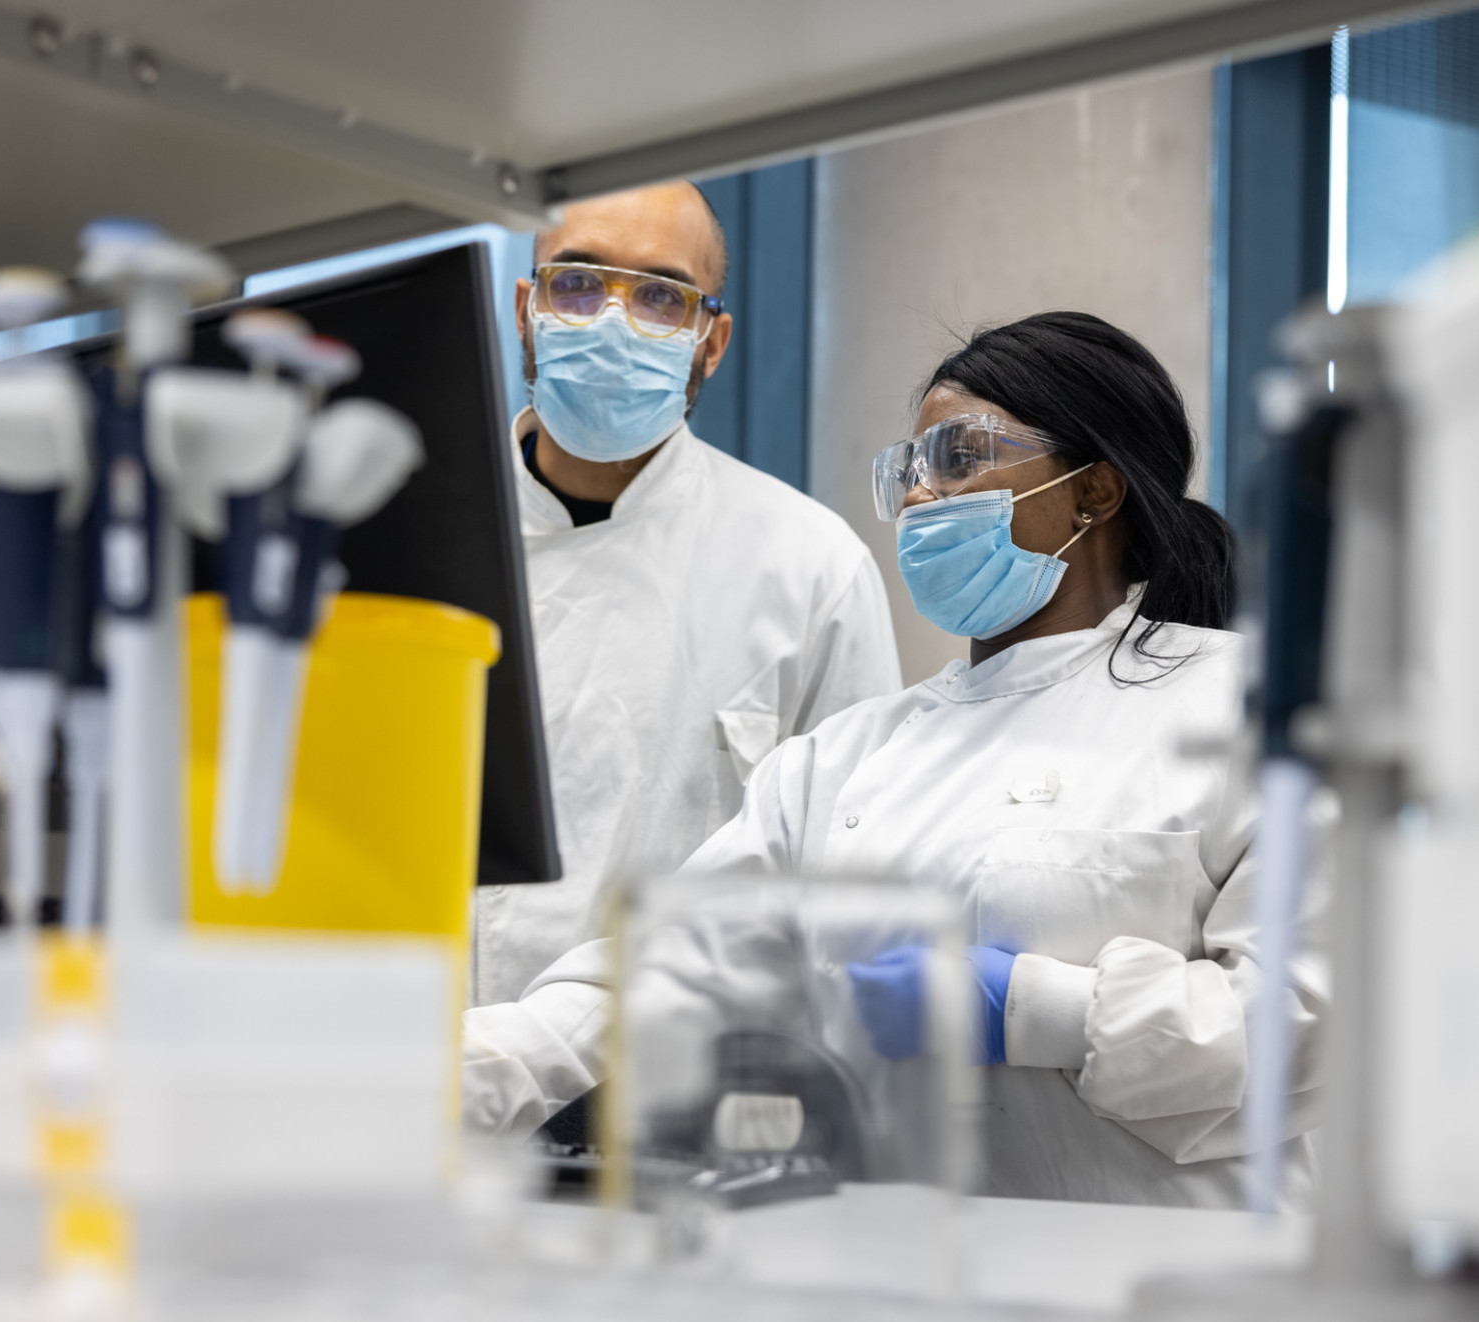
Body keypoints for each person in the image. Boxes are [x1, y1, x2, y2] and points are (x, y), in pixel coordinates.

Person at [468, 310, 1326, 1209]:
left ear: (1095, 491)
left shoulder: (1244, 708)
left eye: (958, 458)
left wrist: (1039, 1011)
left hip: (1173, 1280)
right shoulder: (840, 762)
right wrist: (469, 1070)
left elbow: (1312, 1021)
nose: (920, 496)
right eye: (909, 469)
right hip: (911, 1272)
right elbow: (660, 974)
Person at [471, 182, 901, 1023]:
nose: (612, 322)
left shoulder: (811, 569)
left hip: (667, 1091)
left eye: (663, 297)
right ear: (527, 306)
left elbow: (849, 882)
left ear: (712, 342)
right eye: (579, 282)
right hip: (407, 1068)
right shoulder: (418, 528)